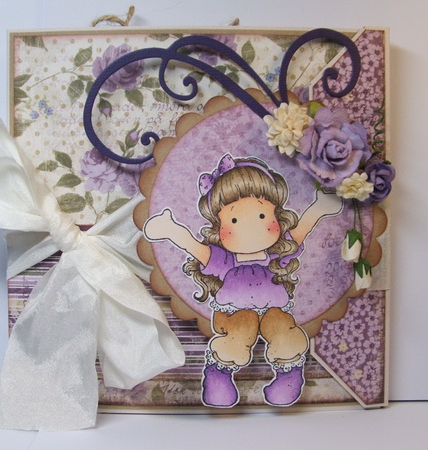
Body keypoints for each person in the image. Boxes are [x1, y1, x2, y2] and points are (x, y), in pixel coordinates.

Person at [144, 153, 341, 407]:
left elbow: (301, 231)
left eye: (262, 216)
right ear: (219, 226)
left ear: (276, 215)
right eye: (235, 220)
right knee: (241, 330)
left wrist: (320, 208)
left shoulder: (276, 254)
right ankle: (219, 376)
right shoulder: (225, 260)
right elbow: (196, 249)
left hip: (273, 309)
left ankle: (289, 375)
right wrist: (171, 230)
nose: (251, 228)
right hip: (233, 312)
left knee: (284, 329)